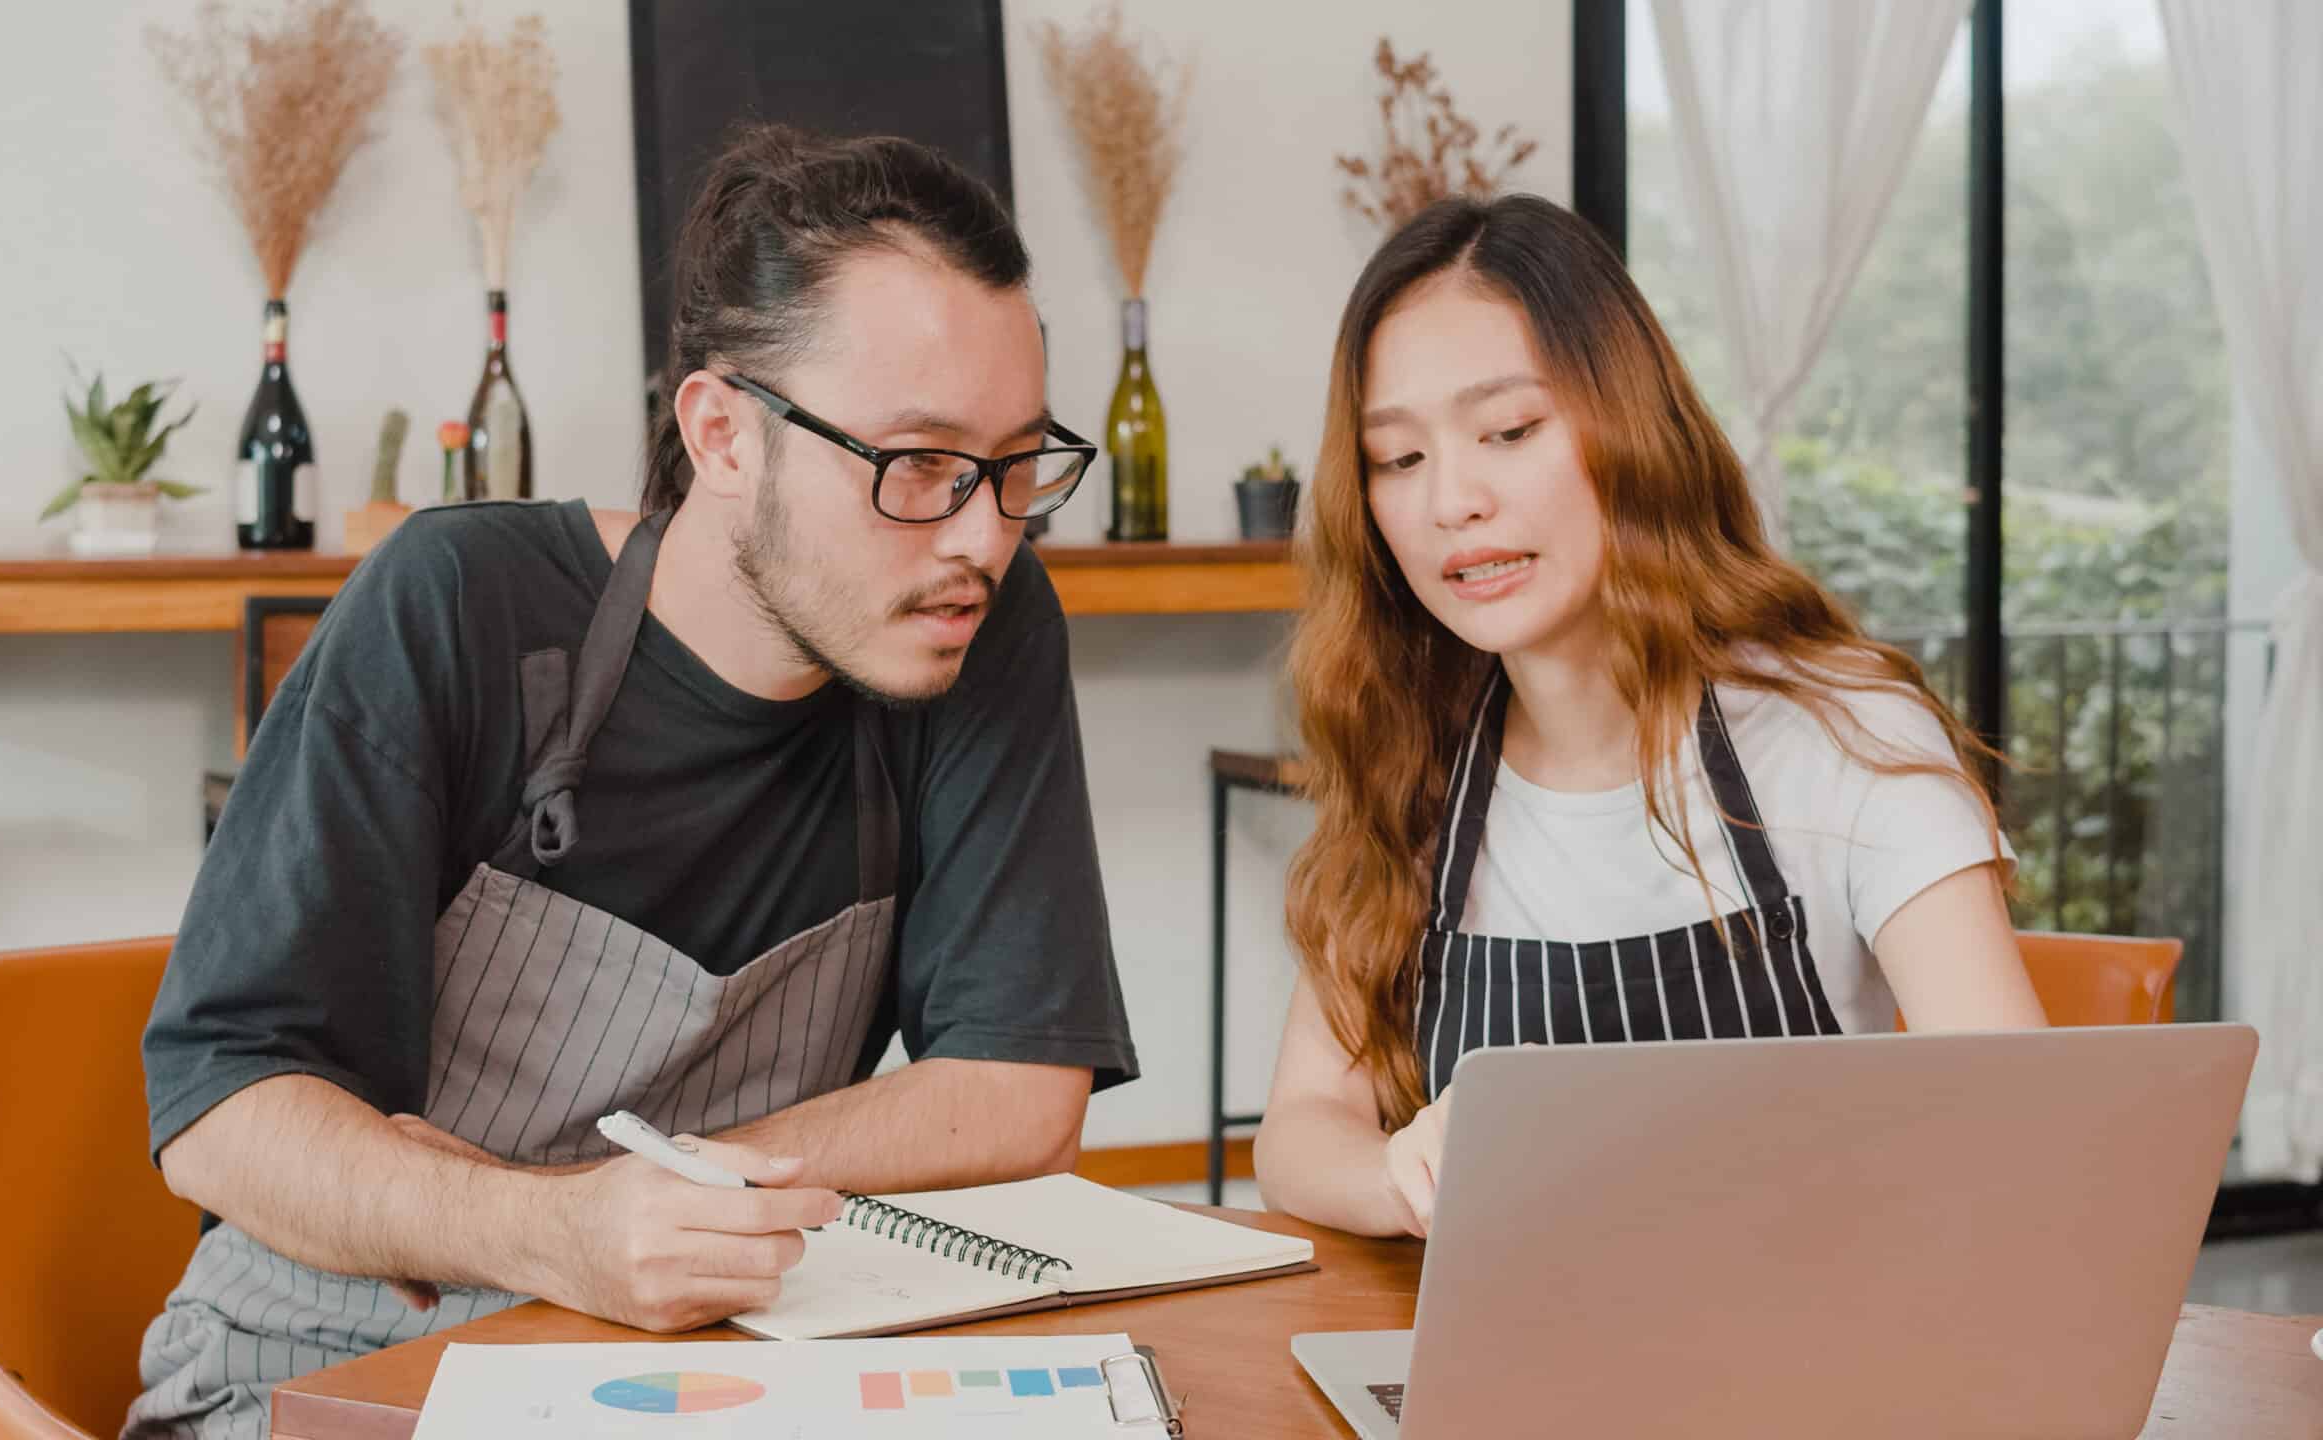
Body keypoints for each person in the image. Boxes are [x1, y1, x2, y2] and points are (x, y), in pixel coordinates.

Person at [124, 127, 1137, 1437]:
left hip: (698, 1376)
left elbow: (1016, 1089)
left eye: (1014, 470)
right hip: (324, 1364)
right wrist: (550, 1228)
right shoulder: (456, 607)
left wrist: (667, 1204)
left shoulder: (976, 622)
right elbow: (222, 1108)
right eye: (919, 467)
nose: (982, 537)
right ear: (722, 434)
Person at [1252, 194, 2046, 1241]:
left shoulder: (1843, 735)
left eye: (1507, 431)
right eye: (1398, 458)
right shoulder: (1419, 756)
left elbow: (2018, 1133)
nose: (1452, 501)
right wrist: (1401, 1174)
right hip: (1507, 1363)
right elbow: (1302, 1126)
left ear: (1630, 427)